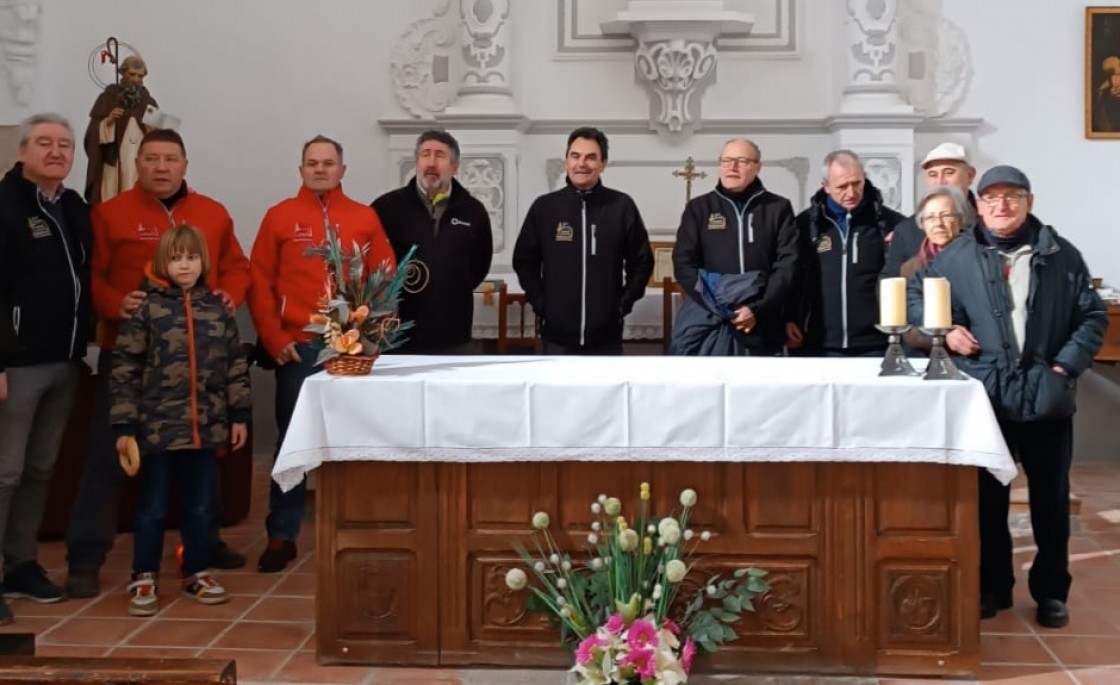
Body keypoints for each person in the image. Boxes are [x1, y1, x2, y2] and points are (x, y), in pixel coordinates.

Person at [906, 165, 1106, 629]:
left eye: (1012, 196)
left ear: (1029, 202)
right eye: (992, 198)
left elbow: (1091, 317)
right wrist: (946, 330)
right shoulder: (957, 255)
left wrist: (1064, 367)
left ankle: (1051, 591)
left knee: (1050, 503)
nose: (1001, 205)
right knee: (986, 501)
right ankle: (992, 586)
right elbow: (917, 296)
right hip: (986, 396)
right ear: (977, 206)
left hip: (1046, 397)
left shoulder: (1060, 255)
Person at [64, 128, 251, 599]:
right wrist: (114, 303)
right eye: (152, 158)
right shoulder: (110, 214)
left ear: (186, 164)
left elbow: (237, 266)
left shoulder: (212, 213)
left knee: (202, 460)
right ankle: (86, 558)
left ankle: (202, 546)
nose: (162, 167)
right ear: (139, 163)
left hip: (200, 368)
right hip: (131, 362)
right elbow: (91, 279)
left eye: (171, 158)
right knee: (111, 458)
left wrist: (230, 295)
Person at [248, 135, 395, 572]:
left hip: (351, 349)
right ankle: (281, 533)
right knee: (292, 442)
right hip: (298, 348)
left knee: (357, 439)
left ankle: (362, 525)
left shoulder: (364, 217)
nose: (320, 169)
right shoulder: (279, 217)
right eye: (312, 163)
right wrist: (275, 339)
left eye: (328, 163)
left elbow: (386, 277)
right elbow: (259, 282)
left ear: (342, 171)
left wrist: (373, 336)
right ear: (301, 170)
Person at [112, 225, 250, 617]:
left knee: (201, 506)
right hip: (156, 430)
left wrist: (238, 415)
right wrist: (123, 427)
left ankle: (197, 572)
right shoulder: (147, 310)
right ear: (163, 263)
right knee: (153, 507)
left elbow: (234, 367)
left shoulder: (217, 309)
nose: (184, 265)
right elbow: (125, 369)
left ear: (202, 261)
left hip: (205, 430)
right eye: (176, 258)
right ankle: (143, 575)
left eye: (191, 257)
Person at [0, 113, 92, 623]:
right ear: (22, 152)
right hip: (17, 365)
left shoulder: (72, 207)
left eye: (64, 144)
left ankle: (21, 564)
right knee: (4, 472)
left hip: (66, 360)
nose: (56, 152)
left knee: (38, 471)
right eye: (44, 144)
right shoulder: (6, 204)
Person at [513, 127, 653, 355]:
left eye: (590, 157)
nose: (582, 164)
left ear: (603, 163)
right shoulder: (545, 207)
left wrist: (622, 305)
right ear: (566, 161)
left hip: (606, 336)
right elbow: (524, 261)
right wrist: (543, 304)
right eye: (575, 156)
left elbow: (642, 261)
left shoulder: (621, 206)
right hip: (557, 337)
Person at [670, 138, 798, 356]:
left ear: (758, 166)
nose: (732, 167)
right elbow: (683, 264)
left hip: (762, 323)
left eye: (741, 161)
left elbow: (787, 265)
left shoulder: (778, 208)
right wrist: (721, 308)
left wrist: (757, 308)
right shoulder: (699, 208)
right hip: (711, 322)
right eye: (726, 160)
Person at [371, 130, 492, 354]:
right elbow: (372, 264)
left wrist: (451, 286)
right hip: (397, 336)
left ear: (455, 166)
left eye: (440, 156)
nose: (432, 163)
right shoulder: (386, 208)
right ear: (417, 162)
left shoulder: (473, 211)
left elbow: (479, 264)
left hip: (454, 335)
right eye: (426, 155)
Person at [788, 150, 904, 356]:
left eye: (856, 183)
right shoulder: (804, 225)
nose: (851, 193)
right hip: (817, 343)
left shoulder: (891, 224)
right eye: (842, 187)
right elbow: (791, 277)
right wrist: (788, 318)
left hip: (877, 344)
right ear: (825, 186)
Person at [882, 142, 976, 278]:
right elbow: (889, 281)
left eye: (949, 172)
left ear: (970, 175)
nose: (940, 181)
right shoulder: (907, 229)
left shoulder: (987, 223)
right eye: (933, 175)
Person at [898, 185, 974, 351]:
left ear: (960, 219)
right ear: (922, 224)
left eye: (946, 215)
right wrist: (944, 335)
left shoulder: (978, 258)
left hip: (975, 352)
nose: (938, 224)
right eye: (930, 218)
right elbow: (907, 327)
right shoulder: (911, 267)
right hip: (927, 357)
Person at [82, 55, 159, 205]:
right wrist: (108, 121)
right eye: (132, 74)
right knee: (112, 199)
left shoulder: (149, 103)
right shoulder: (108, 98)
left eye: (140, 76)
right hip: (113, 161)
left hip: (138, 162)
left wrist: (152, 133)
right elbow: (92, 133)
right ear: (123, 73)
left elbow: (160, 140)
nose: (136, 79)